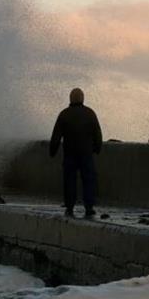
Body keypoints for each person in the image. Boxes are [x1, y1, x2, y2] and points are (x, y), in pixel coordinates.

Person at [49, 88, 103, 218]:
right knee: (88, 180)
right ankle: (89, 207)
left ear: (70, 99)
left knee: (69, 181)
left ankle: (70, 207)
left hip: (70, 154)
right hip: (86, 154)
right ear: (82, 98)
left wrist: (52, 151)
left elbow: (56, 136)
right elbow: (98, 134)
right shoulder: (90, 113)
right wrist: (97, 148)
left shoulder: (64, 114)